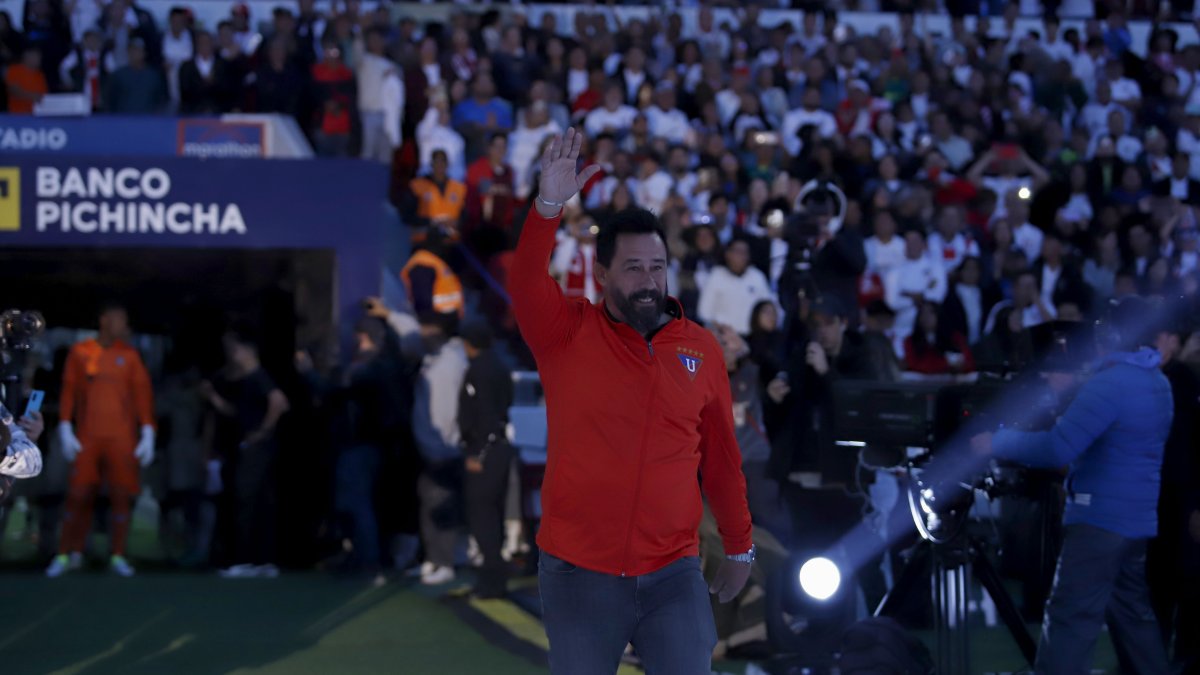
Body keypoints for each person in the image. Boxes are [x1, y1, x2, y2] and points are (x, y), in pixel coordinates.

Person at [510, 128, 753, 674]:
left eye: (657, 266)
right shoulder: (565, 332)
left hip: (673, 571)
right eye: (633, 268)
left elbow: (721, 459)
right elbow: (525, 280)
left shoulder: (701, 347)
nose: (649, 281)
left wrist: (738, 545)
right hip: (579, 572)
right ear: (600, 275)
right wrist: (548, 205)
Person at [971, 297, 1173, 675]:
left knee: (1069, 619)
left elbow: (1056, 447)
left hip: (1098, 520)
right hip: (1137, 520)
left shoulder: (1110, 384)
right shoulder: (1156, 380)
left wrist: (997, 441)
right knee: (1134, 617)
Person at [48, 303, 155, 578]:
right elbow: (69, 390)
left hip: (121, 437)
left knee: (121, 494)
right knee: (78, 494)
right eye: (120, 320)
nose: (124, 326)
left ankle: (117, 555)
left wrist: (148, 431)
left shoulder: (129, 356)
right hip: (88, 436)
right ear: (105, 320)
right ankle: (67, 553)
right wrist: (64, 426)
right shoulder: (80, 352)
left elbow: (142, 394)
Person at [202, 330, 290, 578]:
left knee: (245, 498)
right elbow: (234, 413)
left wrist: (262, 432)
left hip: (257, 449)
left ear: (248, 350)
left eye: (235, 348)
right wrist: (213, 397)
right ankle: (262, 560)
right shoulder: (244, 380)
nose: (231, 354)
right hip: (249, 446)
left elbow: (280, 402)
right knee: (258, 500)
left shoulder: (258, 376)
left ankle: (245, 560)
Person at [457, 320, 514, 598]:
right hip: (500, 448)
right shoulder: (500, 366)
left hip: (486, 450)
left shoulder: (478, 370)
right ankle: (496, 576)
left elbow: (481, 415)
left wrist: (477, 452)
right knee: (496, 514)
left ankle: (491, 578)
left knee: (482, 516)